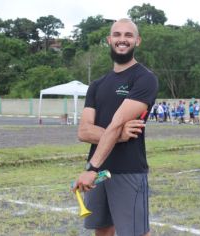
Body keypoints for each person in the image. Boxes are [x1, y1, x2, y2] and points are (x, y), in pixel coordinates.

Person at [72, 19, 158, 236]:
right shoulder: (97, 85)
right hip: (101, 173)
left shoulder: (145, 79)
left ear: (137, 41)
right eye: (117, 35)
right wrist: (119, 136)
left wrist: (91, 169)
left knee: (135, 233)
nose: (122, 39)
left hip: (128, 170)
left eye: (128, 35)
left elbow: (117, 121)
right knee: (102, 230)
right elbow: (84, 131)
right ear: (109, 40)